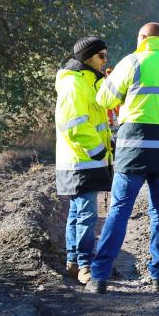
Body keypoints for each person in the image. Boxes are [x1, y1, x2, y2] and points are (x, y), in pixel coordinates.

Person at [86, 22, 159, 294]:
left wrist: (114, 84)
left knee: (120, 210)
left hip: (133, 148)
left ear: (143, 38)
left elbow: (104, 100)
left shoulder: (132, 61)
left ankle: (99, 277)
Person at [55, 36, 113, 285]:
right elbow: (75, 126)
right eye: (101, 56)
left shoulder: (88, 83)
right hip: (81, 161)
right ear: (87, 57)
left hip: (83, 160)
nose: (105, 60)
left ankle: (73, 262)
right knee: (87, 215)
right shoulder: (74, 84)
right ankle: (85, 266)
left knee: (78, 213)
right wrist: (99, 150)